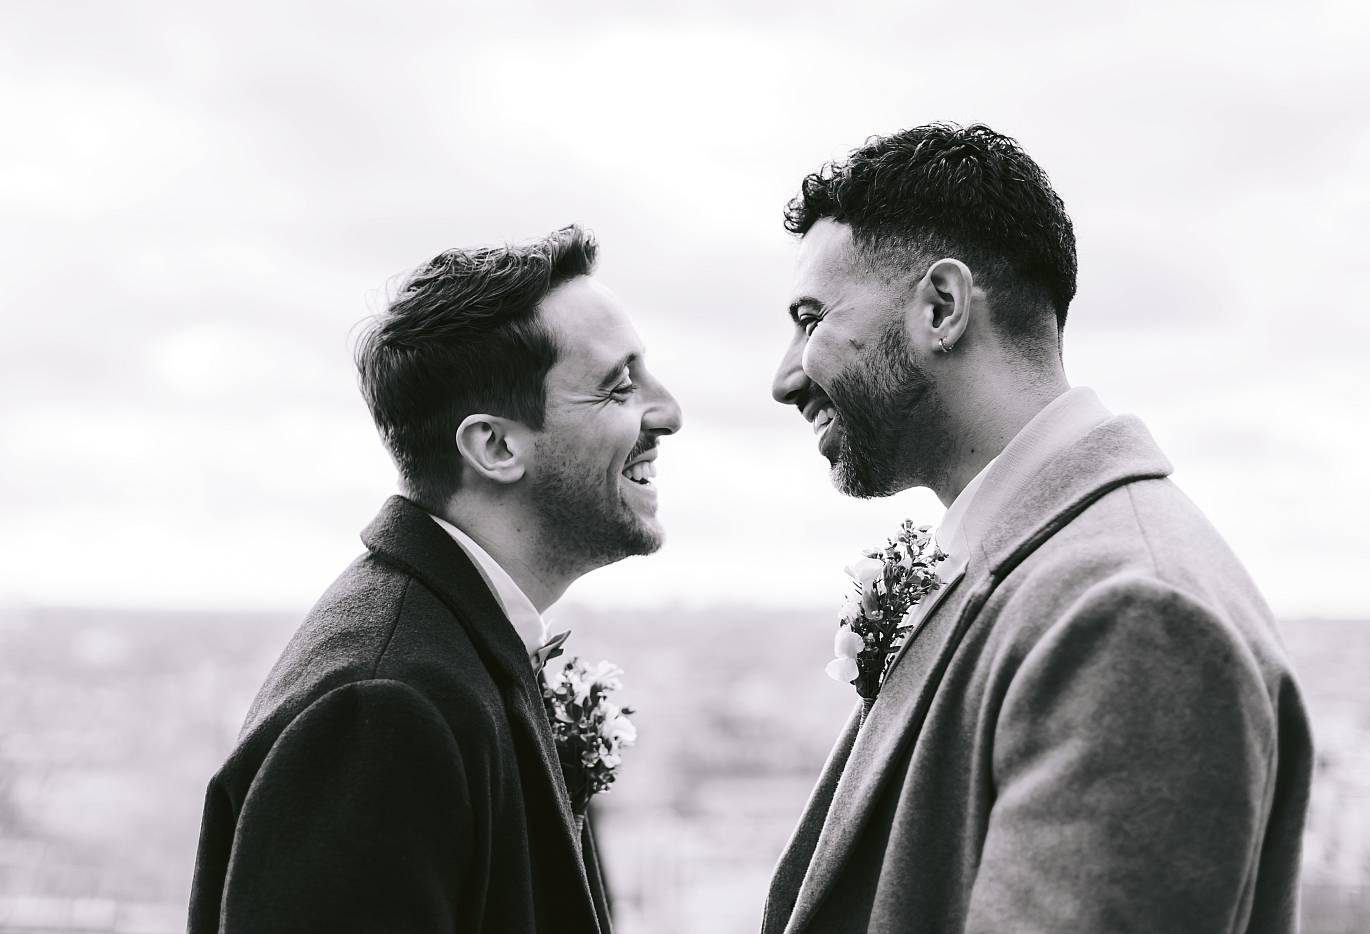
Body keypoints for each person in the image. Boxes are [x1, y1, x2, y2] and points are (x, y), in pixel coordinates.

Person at [764, 124, 1312, 934]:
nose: (784, 378)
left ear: (941, 308)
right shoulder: (1038, 564)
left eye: (811, 319)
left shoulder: (1134, 616)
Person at [186, 224, 681, 934]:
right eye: (619, 387)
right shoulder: (380, 713)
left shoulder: (453, 646)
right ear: (497, 445)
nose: (668, 412)